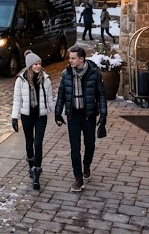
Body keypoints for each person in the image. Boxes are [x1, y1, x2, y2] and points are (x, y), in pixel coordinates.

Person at [55, 46, 107, 192]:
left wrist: (103, 116)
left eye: (73, 58)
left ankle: (87, 165)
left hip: (89, 114)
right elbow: (61, 95)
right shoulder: (66, 74)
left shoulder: (94, 73)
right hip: (73, 115)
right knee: (75, 148)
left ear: (81, 59)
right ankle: (78, 178)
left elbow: (101, 95)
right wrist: (58, 113)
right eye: (70, 58)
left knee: (90, 145)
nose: (70, 60)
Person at [12, 50, 53, 190]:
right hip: (27, 115)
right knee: (29, 142)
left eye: (40, 63)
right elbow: (17, 99)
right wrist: (14, 117)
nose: (38, 66)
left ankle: (36, 170)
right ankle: (31, 166)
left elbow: (49, 96)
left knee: (38, 143)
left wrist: (55, 112)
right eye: (35, 64)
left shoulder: (45, 78)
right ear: (30, 66)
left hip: (41, 116)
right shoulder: (20, 80)